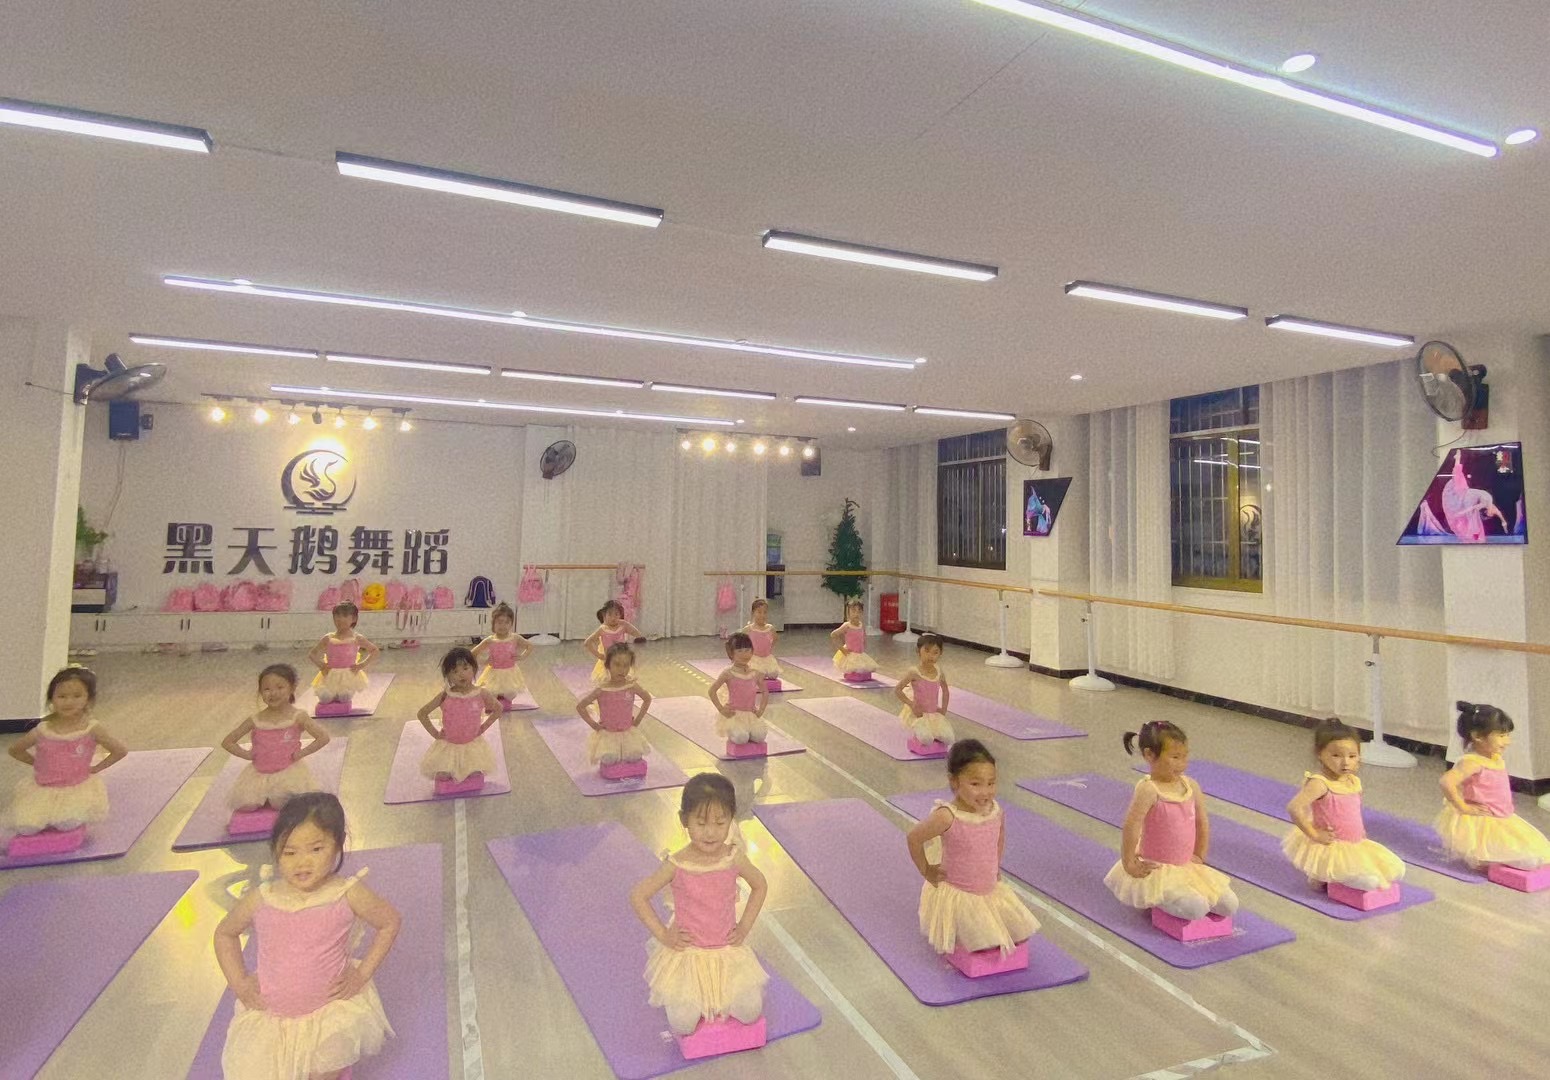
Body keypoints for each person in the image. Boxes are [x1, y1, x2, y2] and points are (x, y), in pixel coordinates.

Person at [216, 793, 399, 1080]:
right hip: (273, 1017)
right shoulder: (263, 897)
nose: (302, 862)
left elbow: (389, 922)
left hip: (328, 1016)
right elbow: (225, 934)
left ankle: (333, 1068)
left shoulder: (346, 893)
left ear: (337, 845)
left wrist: (362, 974)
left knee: (326, 1064)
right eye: (290, 852)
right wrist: (239, 982)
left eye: (315, 849)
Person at [630, 773, 768, 1036]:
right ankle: (695, 997)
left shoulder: (733, 858)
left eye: (720, 822)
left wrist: (744, 927)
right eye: (701, 823)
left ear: (731, 819)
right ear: (685, 820)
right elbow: (639, 895)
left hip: (726, 952)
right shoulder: (677, 864)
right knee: (683, 1023)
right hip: (689, 955)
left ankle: (715, 995)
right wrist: (664, 935)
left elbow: (760, 885)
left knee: (750, 1011)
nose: (711, 832)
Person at [906, 739, 1037, 957]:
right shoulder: (947, 816)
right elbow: (913, 838)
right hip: (961, 894)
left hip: (988, 888)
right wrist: (927, 870)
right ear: (954, 782)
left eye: (991, 783)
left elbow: (999, 837)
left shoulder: (995, 811)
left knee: (1017, 934)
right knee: (984, 943)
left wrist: (995, 866)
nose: (985, 792)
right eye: (975, 784)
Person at [1103, 721, 1239, 921]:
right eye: (1175, 757)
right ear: (1150, 755)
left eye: (1185, 756)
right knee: (1196, 909)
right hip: (1157, 868)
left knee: (1230, 905)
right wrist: (1129, 862)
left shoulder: (1191, 786)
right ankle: (1157, 898)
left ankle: (1181, 895)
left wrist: (1199, 855)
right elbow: (1131, 827)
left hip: (1185, 866)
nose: (1182, 763)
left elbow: (1202, 822)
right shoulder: (1149, 789)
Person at [1281, 719, 1405, 891]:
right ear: (1319, 754)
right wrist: (1315, 834)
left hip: (1354, 844)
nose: (1345, 762)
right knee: (1372, 883)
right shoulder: (1320, 783)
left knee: (1398, 870)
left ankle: (1330, 877)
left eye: (1352, 756)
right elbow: (1294, 807)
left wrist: (1360, 832)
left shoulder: (1353, 781)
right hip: (1332, 847)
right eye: (1336, 756)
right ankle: (1324, 875)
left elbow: (1352, 812)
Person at [6, 667, 127, 836]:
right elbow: (15, 750)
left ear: (88, 699)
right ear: (52, 699)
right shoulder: (42, 730)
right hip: (42, 789)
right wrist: (38, 763)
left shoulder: (91, 729)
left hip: (75, 788)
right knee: (26, 827)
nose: (68, 702)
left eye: (77, 696)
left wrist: (96, 768)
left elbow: (119, 750)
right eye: (62, 696)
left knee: (67, 823)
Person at [1436, 701, 1550, 869]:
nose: (1507, 741)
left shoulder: (1493, 757)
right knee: (1528, 858)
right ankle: (1485, 857)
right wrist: (1463, 807)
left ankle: (1493, 857)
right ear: (1478, 736)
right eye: (1501, 736)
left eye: (1508, 735)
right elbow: (1446, 781)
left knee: (1539, 852)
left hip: (1502, 816)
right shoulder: (1472, 762)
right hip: (1485, 820)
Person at [223, 664, 331, 812]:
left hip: (287, 772)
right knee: (246, 805)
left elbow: (323, 737)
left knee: (281, 803)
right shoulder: (256, 719)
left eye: (280, 687)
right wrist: (247, 755)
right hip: (259, 773)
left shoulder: (297, 716)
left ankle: (276, 796)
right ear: (260, 692)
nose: (273, 693)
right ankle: (264, 794)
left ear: (292, 688)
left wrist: (301, 753)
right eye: (267, 689)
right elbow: (228, 742)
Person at [417, 647, 502, 783]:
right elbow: (422, 713)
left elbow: (498, 708)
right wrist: (435, 734)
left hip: (471, 745)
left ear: (474, 668)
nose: (461, 674)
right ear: (448, 676)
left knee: (474, 775)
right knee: (443, 777)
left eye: (465, 668)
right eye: (455, 671)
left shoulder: (481, 693)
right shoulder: (445, 695)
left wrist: (483, 727)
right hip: (448, 745)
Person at [576, 643, 651, 766]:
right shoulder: (602, 689)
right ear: (608, 665)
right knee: (609, 759)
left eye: (626, 665)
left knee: (634, 757)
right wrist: (594, 725)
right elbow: (580, 707)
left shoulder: (631, 686)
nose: (622, 670)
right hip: (608, 734)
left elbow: (647, 699)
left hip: (628, 732)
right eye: (617, 664)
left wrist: (637, 720)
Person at [307, 602, 379, 703]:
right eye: (337, 616)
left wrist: (361, 665)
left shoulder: (357, 638)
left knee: (344, 697)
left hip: (348, 676)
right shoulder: (328, 638)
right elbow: (312, 654)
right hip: (331, 675)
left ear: (354, 619)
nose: (340, 619)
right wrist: (321, 665)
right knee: (325, 697)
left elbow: (374, 650)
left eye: (345, 616)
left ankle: (343, 694)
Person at [708, 633, 770, 745]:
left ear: (752, 651)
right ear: (731, 653)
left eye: (747, 650)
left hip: (750, 713)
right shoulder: (728, 673)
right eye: (739, 651)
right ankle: (734, 731)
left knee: (760, 736)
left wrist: (761, 710)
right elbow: (712, 691)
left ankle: (746, 730)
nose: (744, 654)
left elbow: (765, 691)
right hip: (734, 714)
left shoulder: (755, 672)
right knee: (741, 738)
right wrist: (721, 709)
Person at [895, 633, 954, 747]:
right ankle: (917, 736)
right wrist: (911, 704)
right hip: (919, 714)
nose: (930, 656)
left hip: (933, 713)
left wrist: (944, 709)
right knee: (926, 739)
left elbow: (945, 691)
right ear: (918, 651)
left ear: (940, 653)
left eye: (935, 652)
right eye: (927, 651)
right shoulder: (914, 672)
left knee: (948, 739)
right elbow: (898, 690)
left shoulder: (939, 672)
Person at [472, 602, 531, 703]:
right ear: (493, 624)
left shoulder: (515, 638)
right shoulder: (490, 640)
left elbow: (529, 646)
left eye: (506, 622)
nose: (502, 626)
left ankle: (503, 695)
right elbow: (473, 652)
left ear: (511, 624)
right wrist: (484, 661)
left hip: (510, 673)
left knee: (511, 695)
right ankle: (498, 695)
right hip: (494, 672)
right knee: (491, 694)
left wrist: (522, 656)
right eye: (499, 622)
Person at [585, 601, 642, 685]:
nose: (613, 618)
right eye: (610, 614)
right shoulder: (602, 629)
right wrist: (599, 655)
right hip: (609, 663)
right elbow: (587, 643)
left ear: (620, 615)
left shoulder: (622, 626)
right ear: (604, 615)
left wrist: (626, 624)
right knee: (608, 683)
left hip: (622, 661)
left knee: (623, 682)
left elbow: (638, 634)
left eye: (616, 614)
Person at [829, 598, 877, 678]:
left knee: (865, 671)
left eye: (859, 611)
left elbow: (863, 636)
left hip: (859, 654)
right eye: (853, 611)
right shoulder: (847, 625)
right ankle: (850, 674)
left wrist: (864, 644)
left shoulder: (861, 625)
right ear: (848, 613)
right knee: (854, 670)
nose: (856, 614)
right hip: (850, 654)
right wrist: (842, 649)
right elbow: (833, 635)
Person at [740, 599, 782, 682]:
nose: (762, 615)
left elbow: (776, 638)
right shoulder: (748, 629)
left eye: (765, 612)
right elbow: (740, 641)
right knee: (755, 673)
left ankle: (764, 673)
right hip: (754, 658)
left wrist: (770, 647)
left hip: (767, 658)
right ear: (753, 613)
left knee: (773, 674)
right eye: (759, 612)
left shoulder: (770, 628)